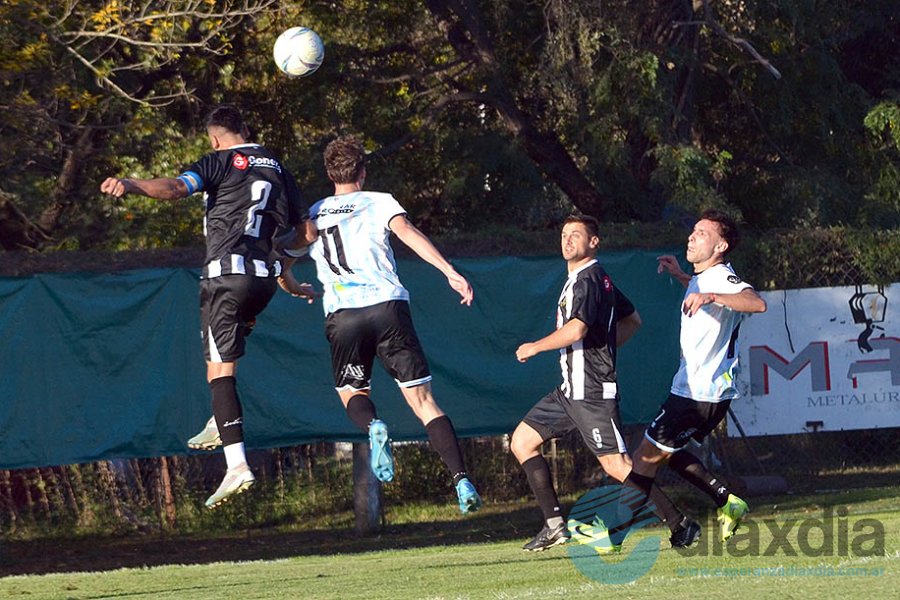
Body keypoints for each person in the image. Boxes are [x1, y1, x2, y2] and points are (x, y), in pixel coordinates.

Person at [100, 105, 316, 509]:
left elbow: (177, 188)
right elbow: (307, 232)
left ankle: (236, 465)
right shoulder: (278, 167)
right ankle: (220, 420)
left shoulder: (218, 161)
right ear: (247, 129)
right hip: (263, 282)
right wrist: (286, 274)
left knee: (220, 372)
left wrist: (132, 184)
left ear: (215, 138)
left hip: (225, 277)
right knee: (222, 364)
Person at [278, 135, 482, 514]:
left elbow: (284, 262)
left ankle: (372, 425)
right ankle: (461, 479)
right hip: (387, 307)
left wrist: (294, 287)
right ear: (363, 171)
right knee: (424, 403)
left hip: (343, 316)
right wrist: (449, 271)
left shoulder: (315, 213)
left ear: (329, 173)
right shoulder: (379, 201)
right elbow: (407, 233)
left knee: (353, 395)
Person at [511, 214, 698, 552]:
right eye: (564, 234)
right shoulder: (596, 278)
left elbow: (578, 329)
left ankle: (679, 524)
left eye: (576, 235)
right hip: (569, 390)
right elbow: (632, 319)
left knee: (618, 466)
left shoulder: (588, 278)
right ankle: (554, 525)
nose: (567, 240)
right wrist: (602, 348)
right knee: (522, 442)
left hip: (591, 391)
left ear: (594, 242)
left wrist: (535, 346)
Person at [615, 209, 767, 545]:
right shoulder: (704, 277)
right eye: (693, 231)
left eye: (701, 233)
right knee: (664, 452)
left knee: (643, 459)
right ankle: (726, 500)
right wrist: (683, 277)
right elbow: (706, 289)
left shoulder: (719, 279)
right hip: (704, 393)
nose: (691, 237)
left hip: (697, 394)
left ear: (720, 246)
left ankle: (610, 533)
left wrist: (709, 294)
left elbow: (756, 303)